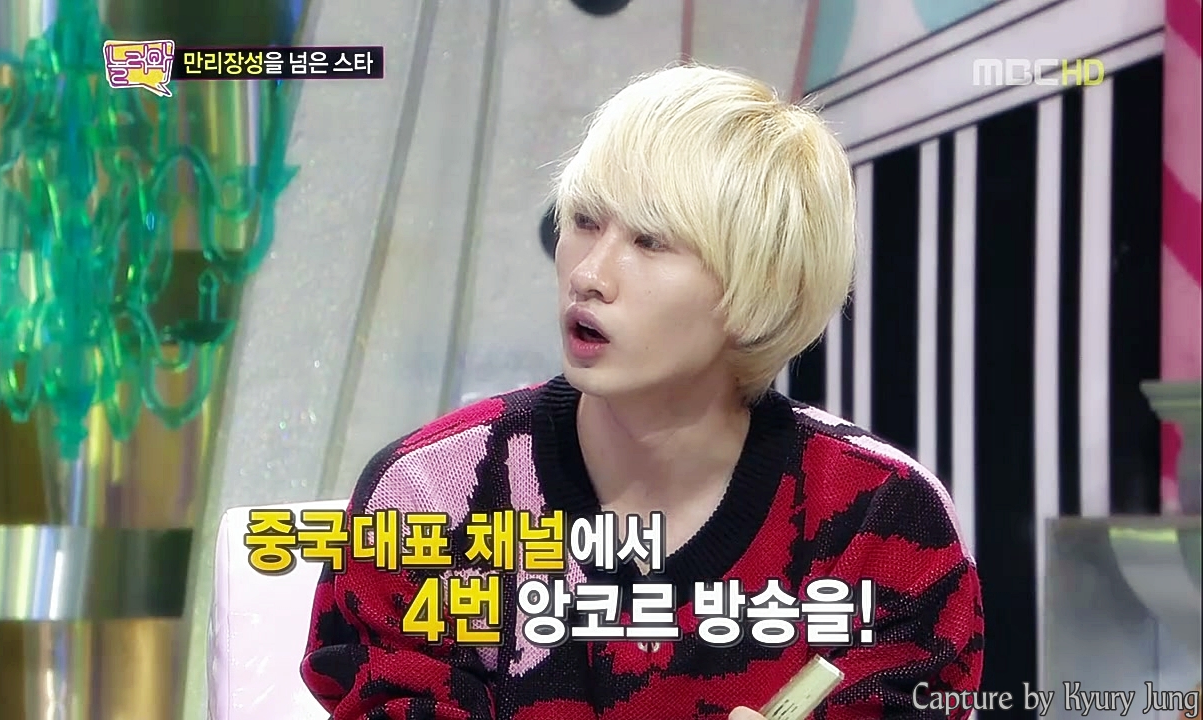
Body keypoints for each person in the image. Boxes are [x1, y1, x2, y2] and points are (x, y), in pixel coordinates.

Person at [300, 63, 983, 720]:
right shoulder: (429, 496)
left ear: (765, 286)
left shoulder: (882, 521)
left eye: (651, 241)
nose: (589, 275)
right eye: (585, 222)